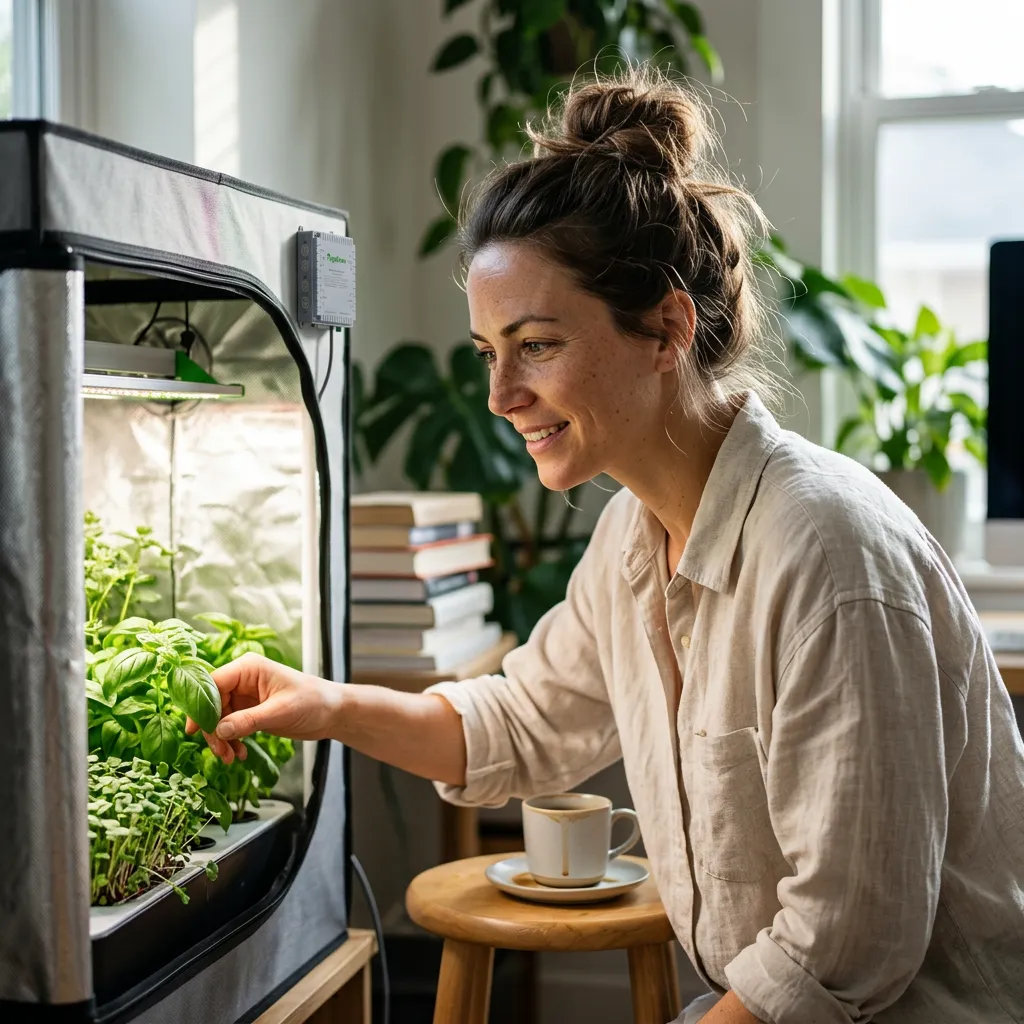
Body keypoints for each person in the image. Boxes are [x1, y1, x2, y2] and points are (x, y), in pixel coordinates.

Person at [188, 68, 1024, 1023]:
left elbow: (838, 951)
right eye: (489, 352)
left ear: (666, 329)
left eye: (537, 345)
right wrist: (325, 704)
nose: (500, 395)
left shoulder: (826, 556)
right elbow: (521, 723)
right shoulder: (635, 532)